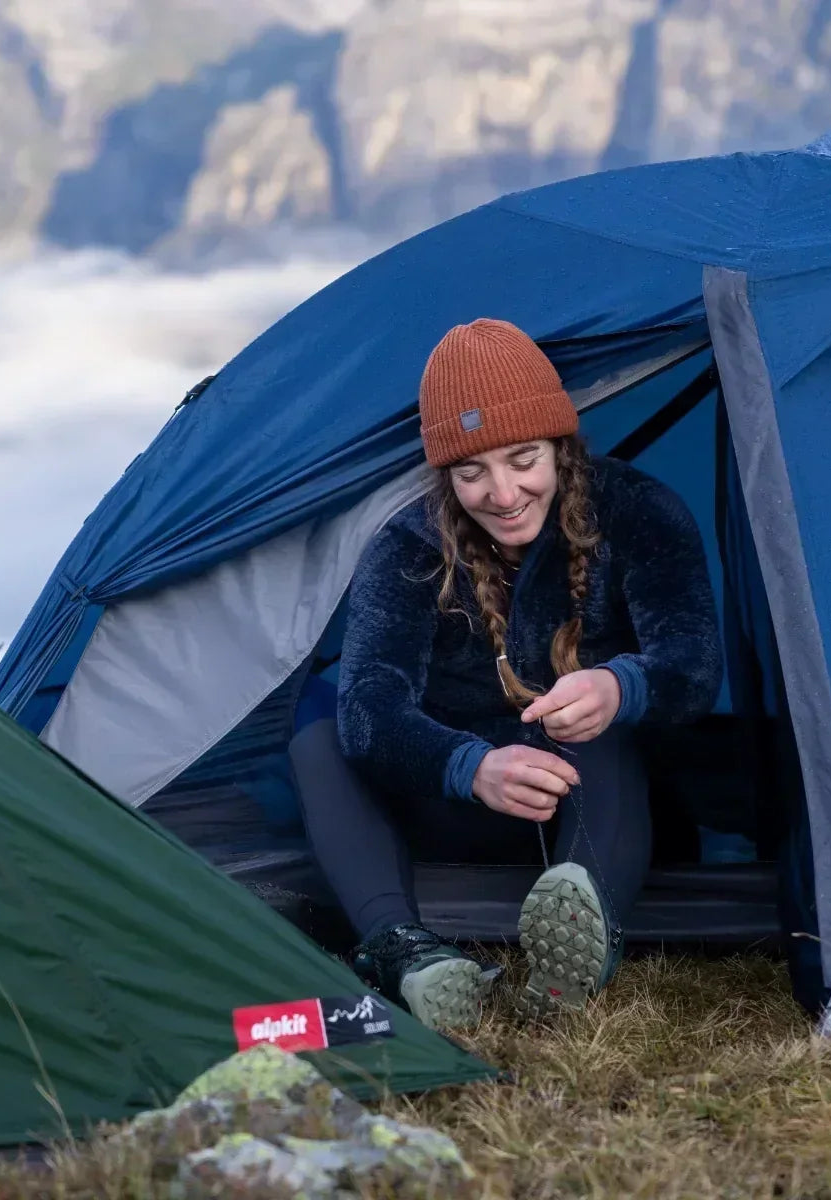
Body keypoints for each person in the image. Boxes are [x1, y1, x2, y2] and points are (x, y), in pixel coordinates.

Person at [289, 317, 722, 1031]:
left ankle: (579, 940)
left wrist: (620, 685)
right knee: (319, 731)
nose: (502, 492)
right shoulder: (407, 547)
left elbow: (694, 667)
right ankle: (408, 951)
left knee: (594, 725)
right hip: (458, 804)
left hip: (594, 811)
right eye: (471, 472)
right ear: (445, 476)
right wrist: (470, 767)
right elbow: (371, 711)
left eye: (523, 459)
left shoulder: (641, 513)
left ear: (560, 443)